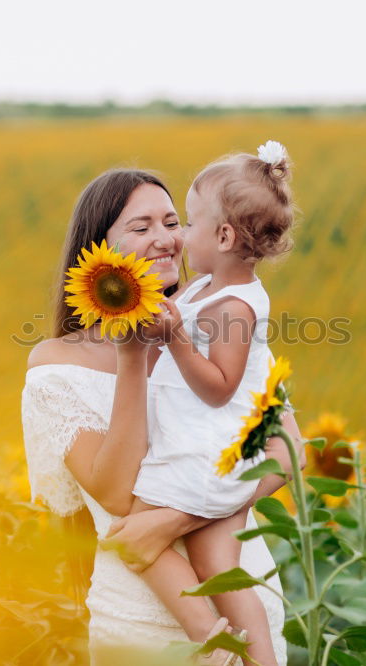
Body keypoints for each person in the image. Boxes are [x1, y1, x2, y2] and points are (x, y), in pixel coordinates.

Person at [21, 168, 303, 665]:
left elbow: (287, 450)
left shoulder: (212, 326)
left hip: (246, 593)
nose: (166, 240)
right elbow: (114, 492)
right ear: (99, 251)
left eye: (173, 222)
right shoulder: (57, 364)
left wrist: (177, 518)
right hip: (141, 630)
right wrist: (132, 358)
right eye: (141, 226)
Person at [127, 141, 296, 666]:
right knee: (217, 564)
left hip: (208, 455)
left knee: (134, 538)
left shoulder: (236, 306)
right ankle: (241, 651)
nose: (178, 238)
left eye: (189, 222)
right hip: (208, 446)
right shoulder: (205, 288)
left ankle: (221, 644)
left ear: (222, 236)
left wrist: (175, 337)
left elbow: (220, 385)